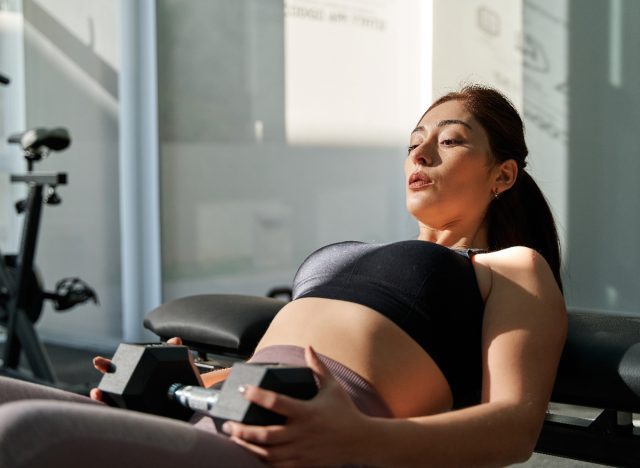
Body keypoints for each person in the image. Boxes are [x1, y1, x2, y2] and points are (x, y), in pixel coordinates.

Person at [0, 84, 566, 468]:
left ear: (503, 174)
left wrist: (360, 437)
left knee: (25, 433)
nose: (421, 154)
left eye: (449, 140)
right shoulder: (368, 253)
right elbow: (279, 367)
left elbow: (514, 429)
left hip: (305, 446)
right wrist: (199, 384)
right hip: (228, 413)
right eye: (415, 141)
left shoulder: (512, 268)